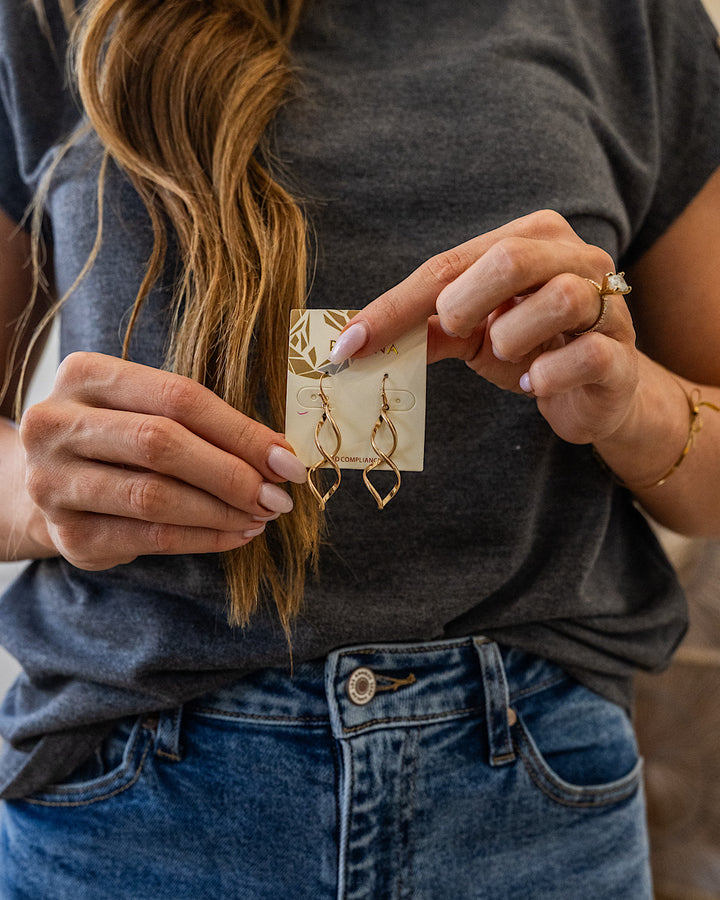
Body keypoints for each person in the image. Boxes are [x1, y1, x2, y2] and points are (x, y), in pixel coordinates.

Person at [0, 0, 719, 896]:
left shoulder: (632, 19)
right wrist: (36, 493)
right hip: (129, 805)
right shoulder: (45, 17)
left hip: (531, 796)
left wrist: (631, 399)